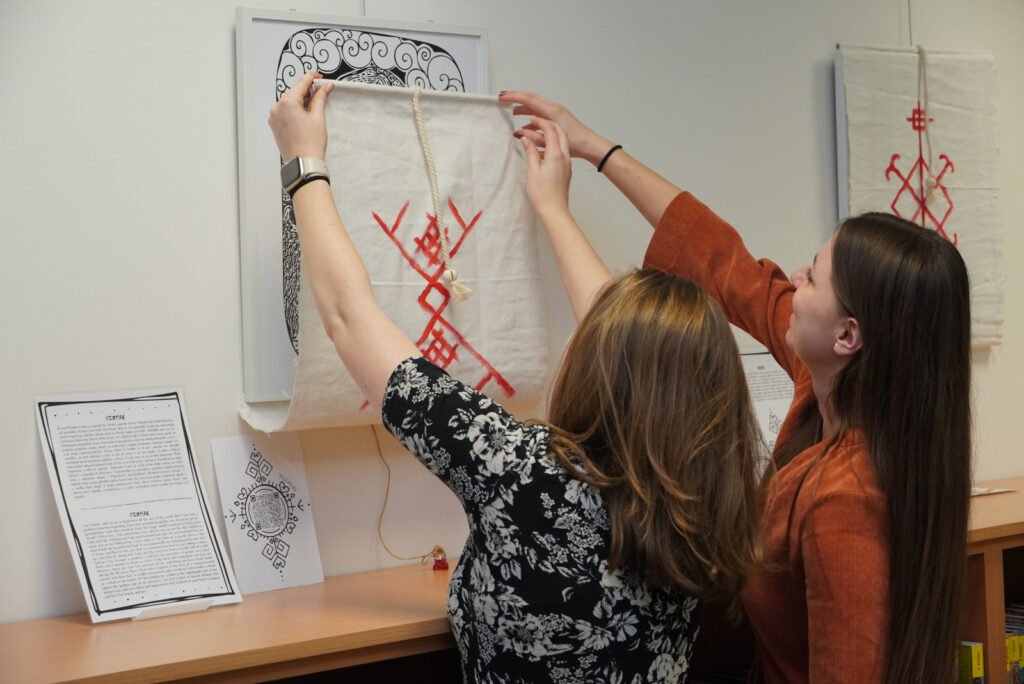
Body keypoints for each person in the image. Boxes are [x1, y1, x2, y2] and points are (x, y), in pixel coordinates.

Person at [268, 72, 767, 683]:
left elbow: (349, 317)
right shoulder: (709, 497)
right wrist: (553, 210)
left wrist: (303, 163)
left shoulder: (519, 469)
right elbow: (640, 353)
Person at [499, 91, 973, 684]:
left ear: (848, 335)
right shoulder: (829, 385)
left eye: (812, 276)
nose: (793, 278)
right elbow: (721, 260)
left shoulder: (846, 502)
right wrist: (594, 148)